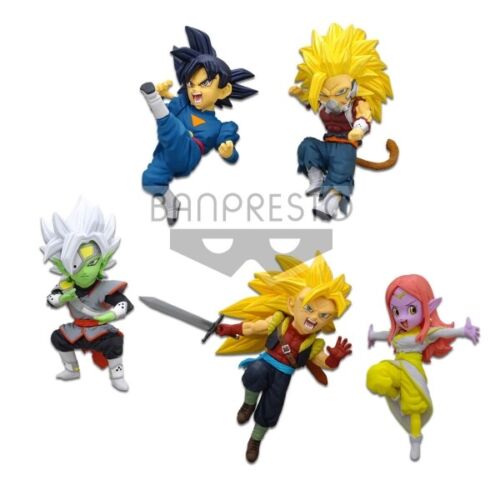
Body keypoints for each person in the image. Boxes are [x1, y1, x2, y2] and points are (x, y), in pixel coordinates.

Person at [366, 274, 480, 460]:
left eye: (411, 309)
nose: (403, 318)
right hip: (396, 366)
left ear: (428, 307)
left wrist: (463, 331)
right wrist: (371, 336)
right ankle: (395, 395)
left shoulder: (424, 334)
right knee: (374, 375)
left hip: (412, 371)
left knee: (414, 407)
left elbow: (443, 332)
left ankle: (415, 440)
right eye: (396, 311)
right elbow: (385, 334)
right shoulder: (397, 333)